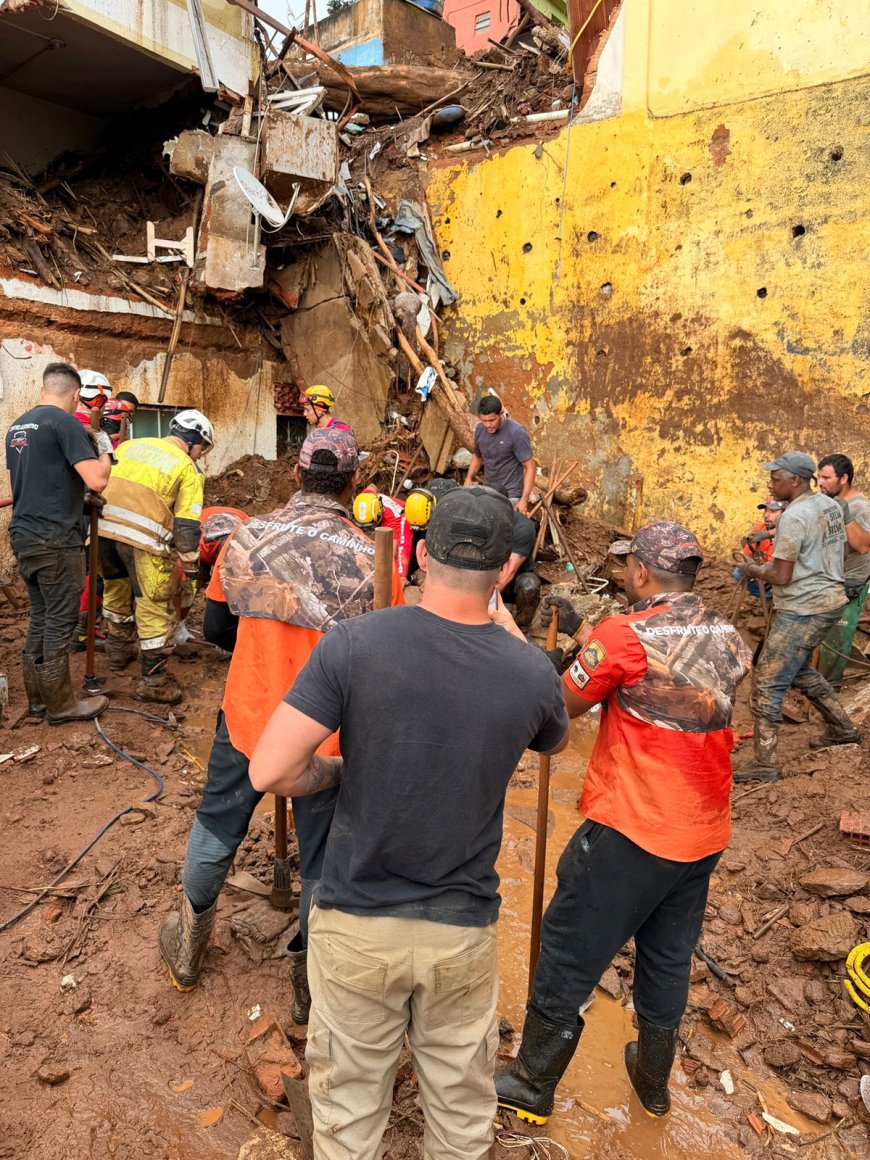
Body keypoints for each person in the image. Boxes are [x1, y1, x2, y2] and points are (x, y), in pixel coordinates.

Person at [249, 485, 568, 1160]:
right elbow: (554, 741)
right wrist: (503, 617)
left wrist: (337, 773)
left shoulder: (356, 644)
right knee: (459, 1107)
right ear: (507, 569)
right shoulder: (530, 674)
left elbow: (270, 771)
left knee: (350, 1105)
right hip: (462, 931)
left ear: (420, 553)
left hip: (358, 922)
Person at [495, 521, 751, 1125]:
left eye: (626, 566)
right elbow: (668, 684)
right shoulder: (724, 632)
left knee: (567, 947)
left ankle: (532, 1083)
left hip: (635, 827)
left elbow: (559, 710)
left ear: (641, 572)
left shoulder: (625, 634)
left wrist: (555, 660)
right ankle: (653, 1081)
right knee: (666, 955)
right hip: (704, 828)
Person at [158, 428, 403, 1017]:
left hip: (250, 716)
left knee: (220, 818)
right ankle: (309, 986)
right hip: (332, 734)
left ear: (296, 475)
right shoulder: (373, 556)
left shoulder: (245, 536)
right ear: (352, 484)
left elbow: (217, 629)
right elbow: (383, 655)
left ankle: (189, 949)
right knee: (325, 852)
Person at [734, 452, 860, 781]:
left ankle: (764, 763)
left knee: (768, 682)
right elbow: (829, 543)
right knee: (800, 671)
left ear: (795, 481)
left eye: (776, 479)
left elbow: (780, 575)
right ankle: (843, 728)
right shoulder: (830, 505)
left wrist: (751, 568)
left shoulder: (792, 517)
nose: (770, 484)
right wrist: (771, 537)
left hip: (804, 608)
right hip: (830, 600)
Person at [5, 363, 111, 723]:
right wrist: (104, 447)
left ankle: (37, 701)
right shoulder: (65, 423)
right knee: (60, 622)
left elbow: (40, 482)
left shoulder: (18, 426)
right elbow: (96, 479)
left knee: (41, 618)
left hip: (25, 536)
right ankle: (62, 705)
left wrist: (77, 502)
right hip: (56, 541)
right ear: (76, 395)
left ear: (42, 391)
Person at [97, 409, 213, 704]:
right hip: (141, 540)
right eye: (202, 449)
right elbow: (187, 527)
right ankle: (153, 682)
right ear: (194, 442)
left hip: (100, 533)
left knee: (116, 590)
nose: (200, 456)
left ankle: (118, 654)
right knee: (153, 605)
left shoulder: (129, 445)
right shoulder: (187, 467)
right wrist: (191, 568)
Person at [816, 454, 870, 686]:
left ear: (844, 478)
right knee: (819, 636)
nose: (819, 482)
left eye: (826, 477)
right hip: (828, 578)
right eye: (818, 477)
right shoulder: (828, 501)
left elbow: (863, 545)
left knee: (835, 640)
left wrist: (846, 516)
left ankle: (830, 692)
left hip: (851, 582)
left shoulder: (860, 507)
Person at [465, 395, 536, 514]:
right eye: (484, 421)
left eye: (492, 420)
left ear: (501, 413)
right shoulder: (480, 429)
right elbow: (477, 455)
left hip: (511, 494)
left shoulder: (516, 433)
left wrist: (524, 499)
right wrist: (469, 478)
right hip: (489, 490)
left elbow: (530, 467)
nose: (488, 425)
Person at [732, 499, 787, 598]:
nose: (766, 515)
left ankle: (780, 597)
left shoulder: (788, 533)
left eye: (773, 511)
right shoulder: (758, 530)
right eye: (766, 511)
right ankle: (768, 597)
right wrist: (754, 569)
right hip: (765, 572)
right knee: (738, 573)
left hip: (781, 573)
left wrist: (761, 571)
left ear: (784, 513)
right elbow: (747, 557)